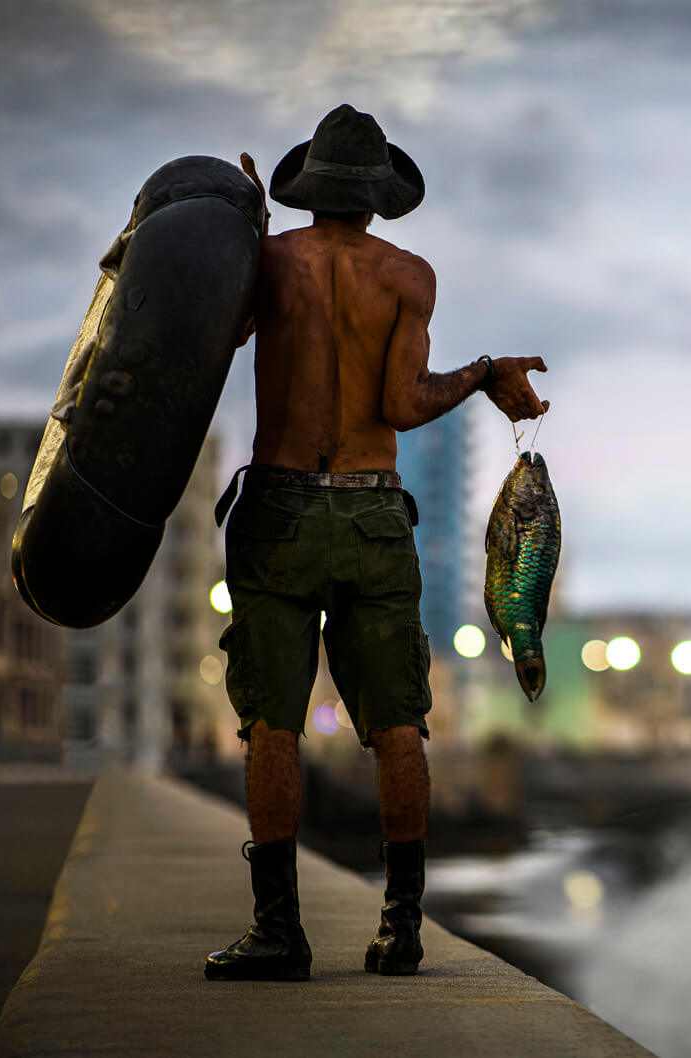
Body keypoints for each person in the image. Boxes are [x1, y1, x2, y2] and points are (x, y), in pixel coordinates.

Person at [204, 104, 549, 981]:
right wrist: (481, 374)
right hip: (371, 513)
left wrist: (243, 231)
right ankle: (400, 931)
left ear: (309, 189)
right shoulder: (408, 276)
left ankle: (279, 933)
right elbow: (402, 404)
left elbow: (214, 337)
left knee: (272, 725)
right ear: (377, 198)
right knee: (399, 725)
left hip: (277, 510)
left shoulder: (271, 262)